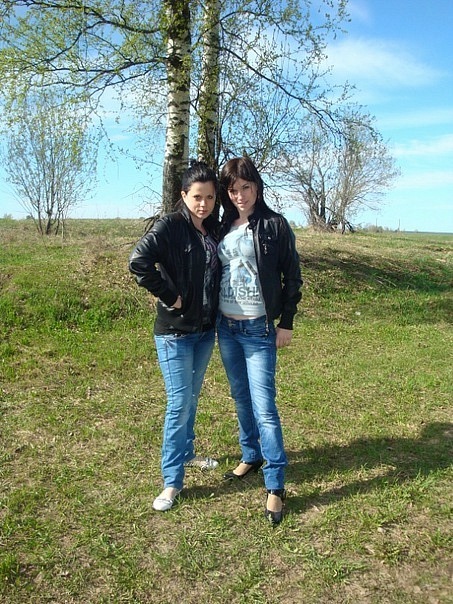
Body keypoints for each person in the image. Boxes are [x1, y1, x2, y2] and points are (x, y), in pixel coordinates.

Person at [129, 161, 220, 512]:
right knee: (179, 402)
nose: (203, 204)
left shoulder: (210, 229)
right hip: (175, 333)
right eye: (197, 197)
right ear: (183, 195)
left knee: (192, 399)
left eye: (209, 197)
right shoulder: (170, 225)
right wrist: (170, 295)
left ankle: (187, 453)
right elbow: (138, 261)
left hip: (204, 330)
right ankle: (171, 481)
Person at [217, 156, 302, 525]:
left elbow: (292, 275)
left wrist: (287, 323)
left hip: (259, 328)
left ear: (257, 187)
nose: (240, 195)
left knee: (264, 406)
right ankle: (250, 455)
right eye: (233, 189)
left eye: (246, 187)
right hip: (226, 327)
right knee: (240, 397)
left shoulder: (274, 225)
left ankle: (275, 483)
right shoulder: (222, 225)